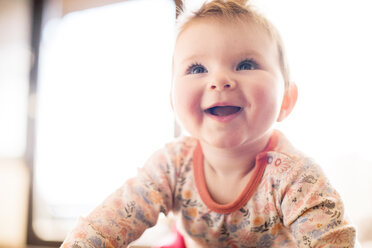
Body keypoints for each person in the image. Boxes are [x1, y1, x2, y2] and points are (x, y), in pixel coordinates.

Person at [61, 0, 357, 247]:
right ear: (172, 101)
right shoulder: (172, 165)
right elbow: (105, 226)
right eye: (197, 68)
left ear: (286, 100)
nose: (219, 81)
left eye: (246, 64)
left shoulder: (297, 178)